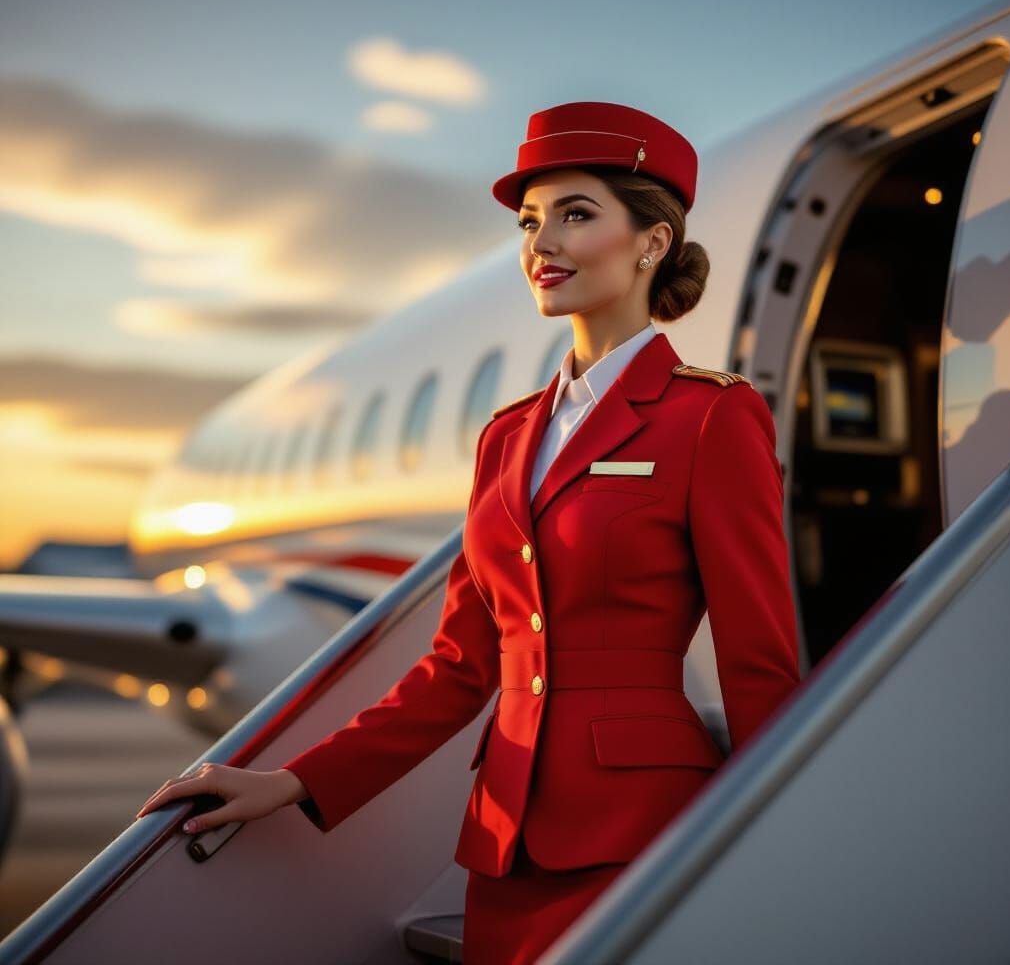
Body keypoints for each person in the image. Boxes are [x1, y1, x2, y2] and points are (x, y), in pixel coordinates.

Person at [136, 100, 803, 964]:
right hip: (502, 833)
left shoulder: (712, 416)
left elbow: (760, 662)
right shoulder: (507, 436)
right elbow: (457, 669)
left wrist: (775, 850)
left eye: (576, 214)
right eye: (531, 222)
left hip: (644, 831)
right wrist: (295, 780)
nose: (542, 244)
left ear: (652, 242)